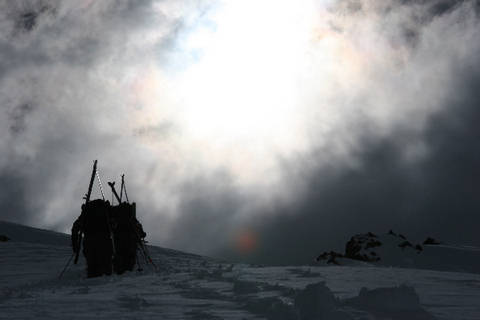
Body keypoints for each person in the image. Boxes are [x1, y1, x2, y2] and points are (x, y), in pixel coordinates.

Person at [71, 199, 113, 278]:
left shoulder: (86, 212)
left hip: (89, 244)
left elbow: (75, 228)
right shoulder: (106, 211)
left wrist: (75, 246)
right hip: (104, 243)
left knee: (93, 270)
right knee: (106, 271)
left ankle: (93, 286)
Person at [110, 202, 146, 274]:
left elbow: (112, 229)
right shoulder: (132, 220)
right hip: (130, 244)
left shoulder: (117, 219)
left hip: (118, 243)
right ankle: (126, 271)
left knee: (120, 257)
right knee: (129, 259)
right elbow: (141, 233)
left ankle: (118, 271)